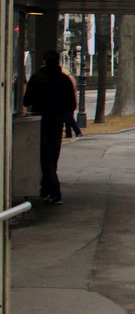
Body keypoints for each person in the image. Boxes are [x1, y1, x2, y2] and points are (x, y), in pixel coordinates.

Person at [23, 50, 76, 205]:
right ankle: (47, 189)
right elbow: (71, 104)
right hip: (57, 121)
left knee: (45, 158)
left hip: (42, 120)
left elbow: (27, 101)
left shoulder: (37, 78)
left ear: (44, 61)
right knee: (52, 157)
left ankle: (53, 190)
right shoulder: (64, 80)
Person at [62, 71, 83, 139]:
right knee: (67, 118)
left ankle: (78, 132)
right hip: (69, 102)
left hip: (68, 103)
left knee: (69, 118)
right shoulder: (69, 78)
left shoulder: (68, 79)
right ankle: (68, 133)